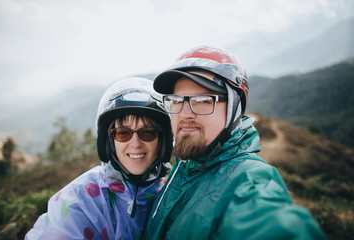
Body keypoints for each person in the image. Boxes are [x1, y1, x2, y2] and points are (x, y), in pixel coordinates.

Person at [143, 46, 326, 239]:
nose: (185, 114)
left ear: (234, 109)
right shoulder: (186, 164)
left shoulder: (248, 181)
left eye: (203, 100)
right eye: (177, 100)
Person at [25, 77, 173, 240]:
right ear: (108, 142)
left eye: (148, 132)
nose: (135, 144)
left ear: (162, 141)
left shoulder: (170, 195)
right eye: (123, 133)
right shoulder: (81, 199)